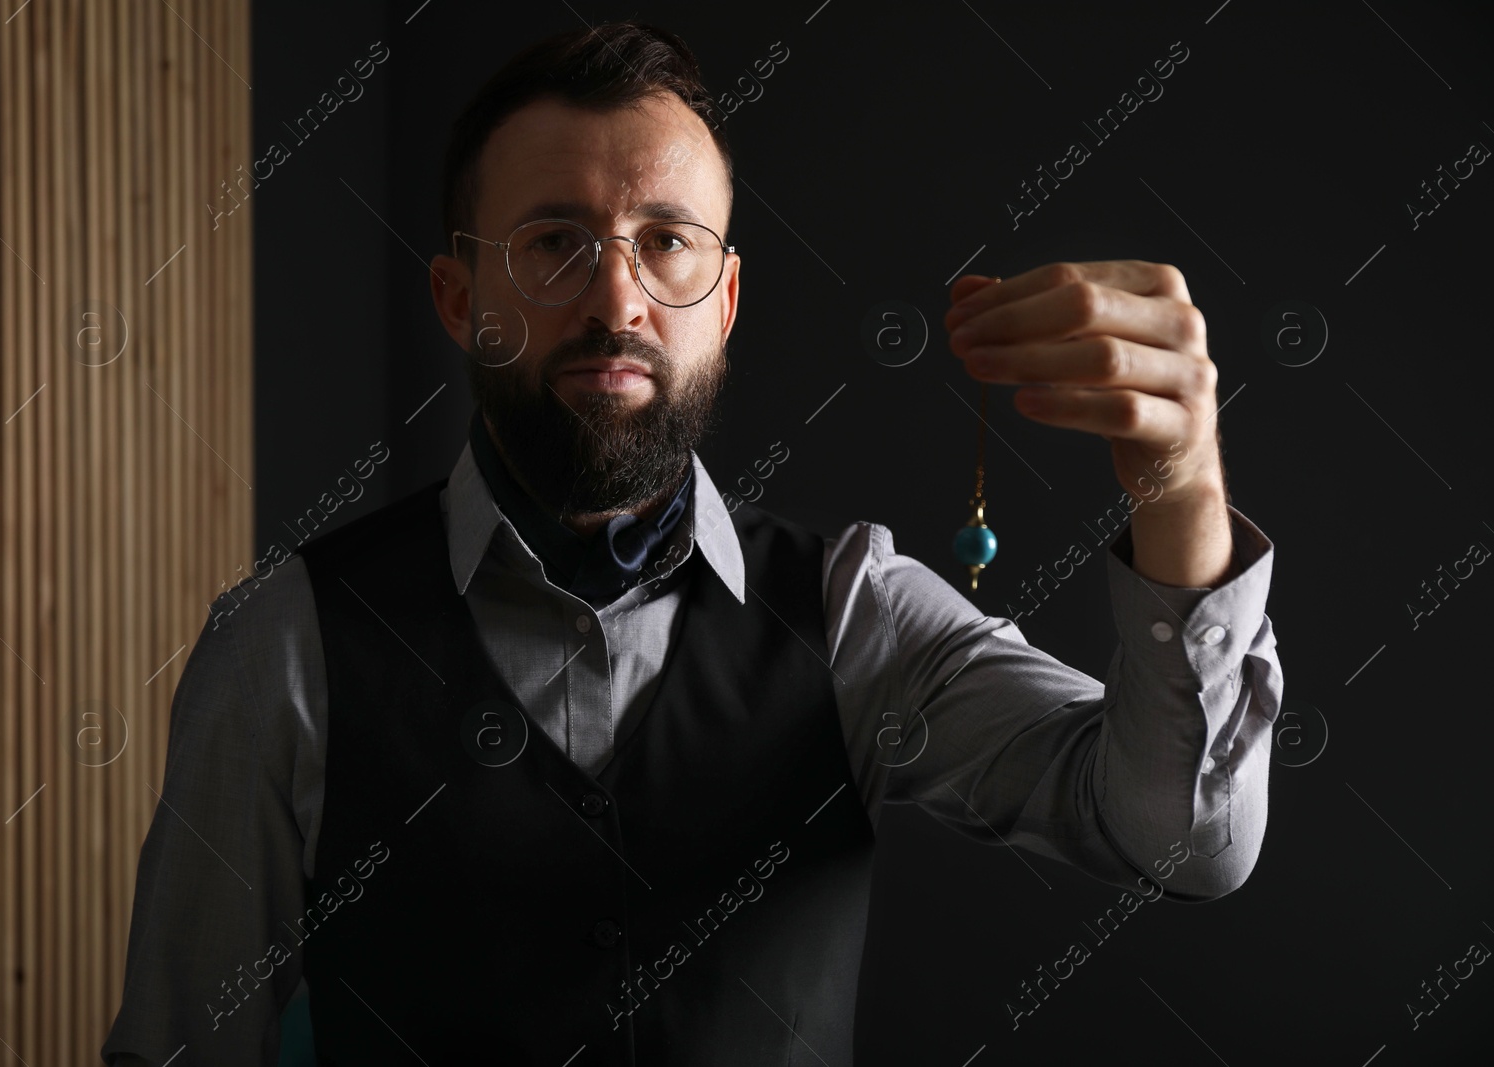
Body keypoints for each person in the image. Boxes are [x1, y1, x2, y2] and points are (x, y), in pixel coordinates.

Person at [102, 19, 1282, 1067]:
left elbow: (1183, 843)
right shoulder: (286, 643)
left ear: (720, 302)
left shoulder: (854, 615)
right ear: (461, 300)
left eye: (666, 241)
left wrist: (1180, 485)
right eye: (556, 241)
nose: (617, 301)